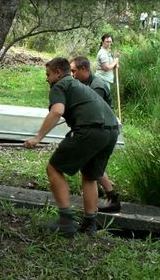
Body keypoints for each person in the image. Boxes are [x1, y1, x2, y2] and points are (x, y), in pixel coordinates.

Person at [24, 57, 119, 237]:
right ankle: (89, 224)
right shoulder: (80, 86)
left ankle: (65, 222)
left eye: (48, 74)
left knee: (54, 168)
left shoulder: (60, 86)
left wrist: (38, 138)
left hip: (90, 130)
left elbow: (57, 111)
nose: (47, 79)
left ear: (58, 73)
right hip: (112, 130)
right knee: (90, 175)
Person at [70, 56, 121, 213]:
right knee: (93, 165)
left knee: (92, 166)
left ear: (84, 69)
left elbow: (92, 112)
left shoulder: (97, 86)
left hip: (103, 130)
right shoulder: (85, 83)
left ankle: (110, 200)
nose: (72, 74)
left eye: (74, 71)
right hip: (99, 129)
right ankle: (109, 196)